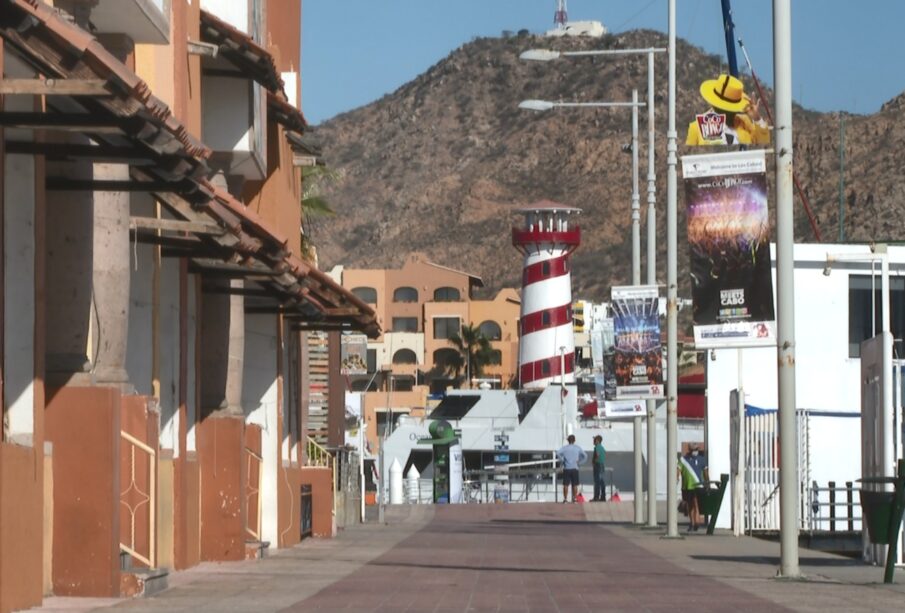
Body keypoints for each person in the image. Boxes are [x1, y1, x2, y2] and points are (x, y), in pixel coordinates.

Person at [685, 74, 770, 146]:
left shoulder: (745, 123)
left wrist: (757, 119)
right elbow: (688, 162)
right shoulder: (696, 127)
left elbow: (763, 146)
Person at [556, 434, 588, 503]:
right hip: (575, 468)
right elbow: (585, 456)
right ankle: (574, 499)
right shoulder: (577, 448)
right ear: (574, 440)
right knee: (575, 484)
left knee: (565, 485)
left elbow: (558, 453)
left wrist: (562, 460)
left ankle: (565, 499)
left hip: (567, 468)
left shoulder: (564, 448)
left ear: (568, 440)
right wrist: (580, 462)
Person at [678, 447, 703, 531]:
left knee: (693, 504)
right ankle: (694, 522)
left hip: (693, 486)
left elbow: (678, 471)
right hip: (689, 486)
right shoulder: (683, 460)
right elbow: (678, 470)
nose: (695, 451)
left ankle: (695, 522)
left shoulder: (683, 460)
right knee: (692, 505)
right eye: (694, 449)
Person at [591, 434, 607, 502]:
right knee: (601, 481)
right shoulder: (602, 447)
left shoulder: (597, 447)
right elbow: (605, 454)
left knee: (597, 482)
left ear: (597, 441)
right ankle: (603, 496)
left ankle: (596, 497)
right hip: (601, 464)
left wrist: (594, 461)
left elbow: (597, 454)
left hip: (598, 465)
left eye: (594, 440)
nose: (593, 441)